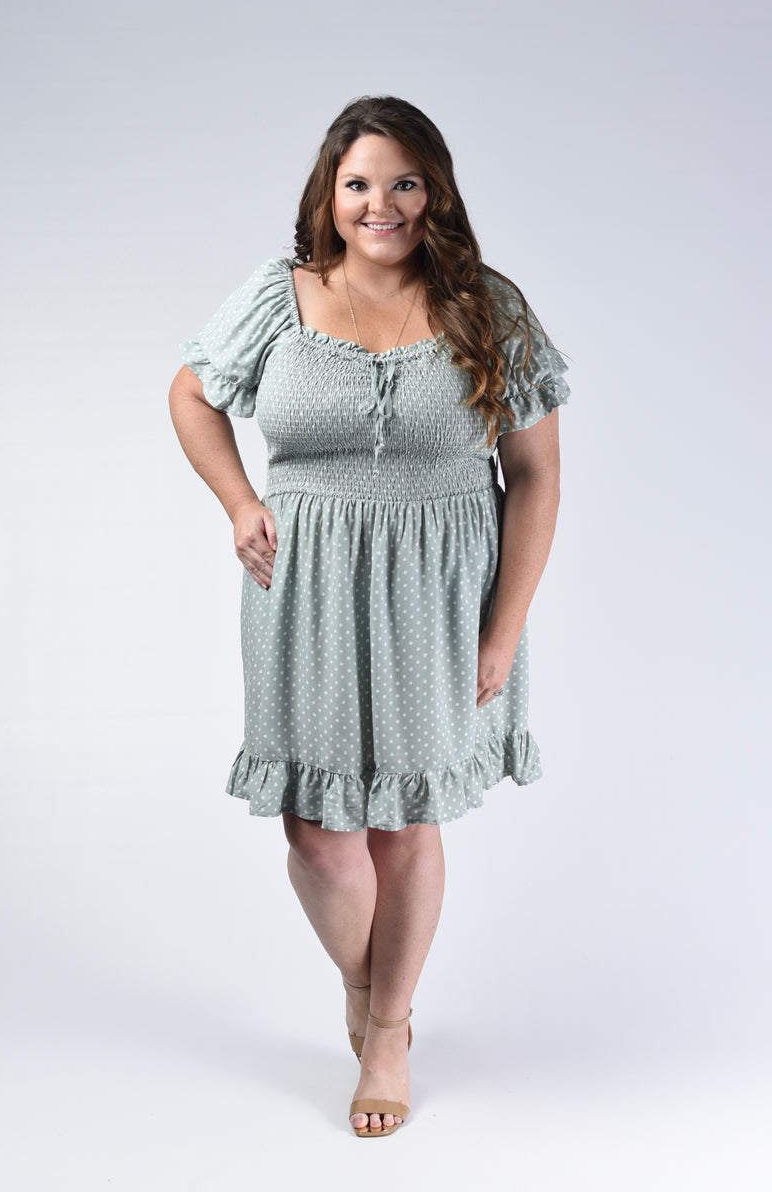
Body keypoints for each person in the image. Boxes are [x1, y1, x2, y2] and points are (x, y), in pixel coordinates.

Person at [168, 94, 571, 1138]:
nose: (378, 203)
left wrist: (502, 629)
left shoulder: (487, 307)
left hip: (442, 596)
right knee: (317, 832)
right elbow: (191, 393)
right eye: (357, 183)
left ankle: (387, 1029)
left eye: (401, 182)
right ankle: (366, 982)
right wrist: (240, 503)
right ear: (329, 193)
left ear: (433, 192)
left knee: (403, 821)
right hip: (303, 591)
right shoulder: (281, 294)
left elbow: (534, 477)